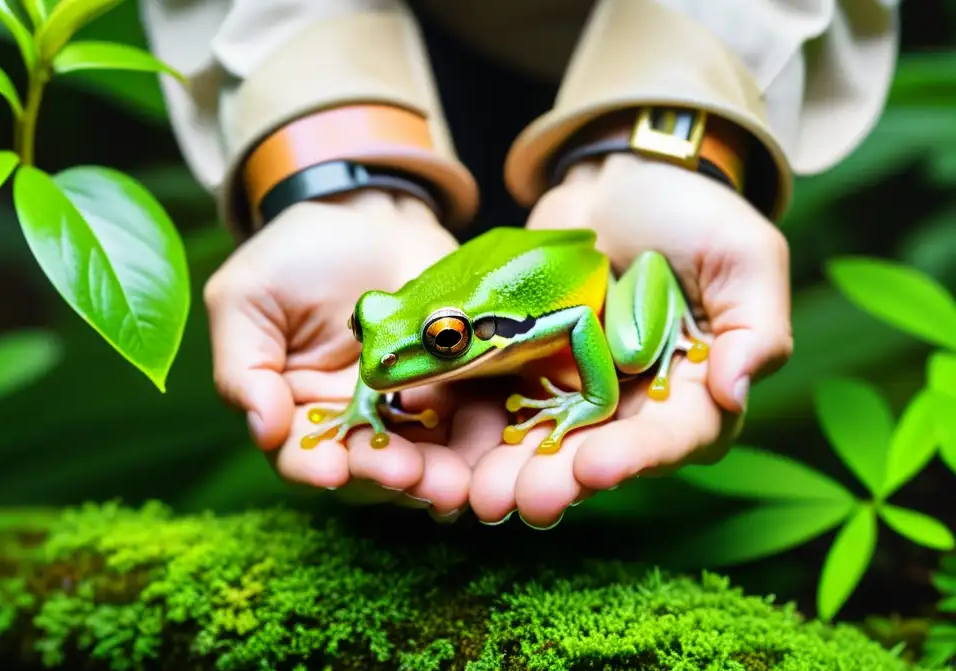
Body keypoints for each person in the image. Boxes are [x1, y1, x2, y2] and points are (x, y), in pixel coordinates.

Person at [138, 0, 900, 528]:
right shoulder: (410, 335)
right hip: (410, 57)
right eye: (371, 322)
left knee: (632, 351)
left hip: (594, 238)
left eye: (436, 342)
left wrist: (671, 132)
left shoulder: (520, 323)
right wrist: (332, 165)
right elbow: (390, 342)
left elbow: (572, 317)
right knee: (425, 439)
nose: (381, 352)